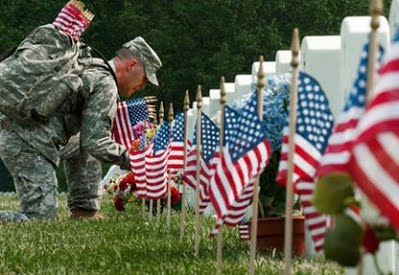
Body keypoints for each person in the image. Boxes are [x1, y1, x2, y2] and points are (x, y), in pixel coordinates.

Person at [0, 8, 162, 221]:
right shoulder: (106, 84)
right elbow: (98, 143)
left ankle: (84, 209)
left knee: (81, 142)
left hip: (25, 133)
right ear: (132, 65)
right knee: (39, 220)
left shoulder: (90, 63)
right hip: (27, 143)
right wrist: (136, 161)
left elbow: (88, 140)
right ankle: (81, 209)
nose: (143, 86)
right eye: (144, 78)